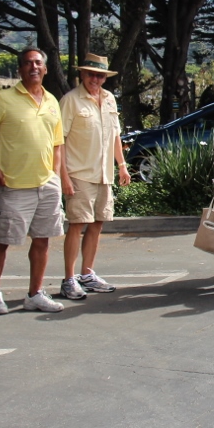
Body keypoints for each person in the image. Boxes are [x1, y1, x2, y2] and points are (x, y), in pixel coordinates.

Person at [0, 47, 67, 315]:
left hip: (46, 185)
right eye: (27, 64)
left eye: (38, 63)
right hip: (13, 185)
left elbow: (57, 142)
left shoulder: (52, 102)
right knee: (3, 239)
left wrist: (55, 175)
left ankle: (35, 294)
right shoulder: (3, 100)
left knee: (42, 239)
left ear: (45, 69)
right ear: (20, 70)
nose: (33, 67)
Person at [58, 53, 130, 301]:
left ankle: (87, 274)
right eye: (91, 74)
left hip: (103, 174)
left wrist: (122, 165)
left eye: (100, 75)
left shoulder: (109, 99)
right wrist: (64, 176)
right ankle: (69, 279)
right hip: (79, 172)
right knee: (77, 224)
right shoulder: (70, 101)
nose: (95, 79)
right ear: (82, 74)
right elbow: (60, 141)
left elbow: (115, 136)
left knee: (97, 223)